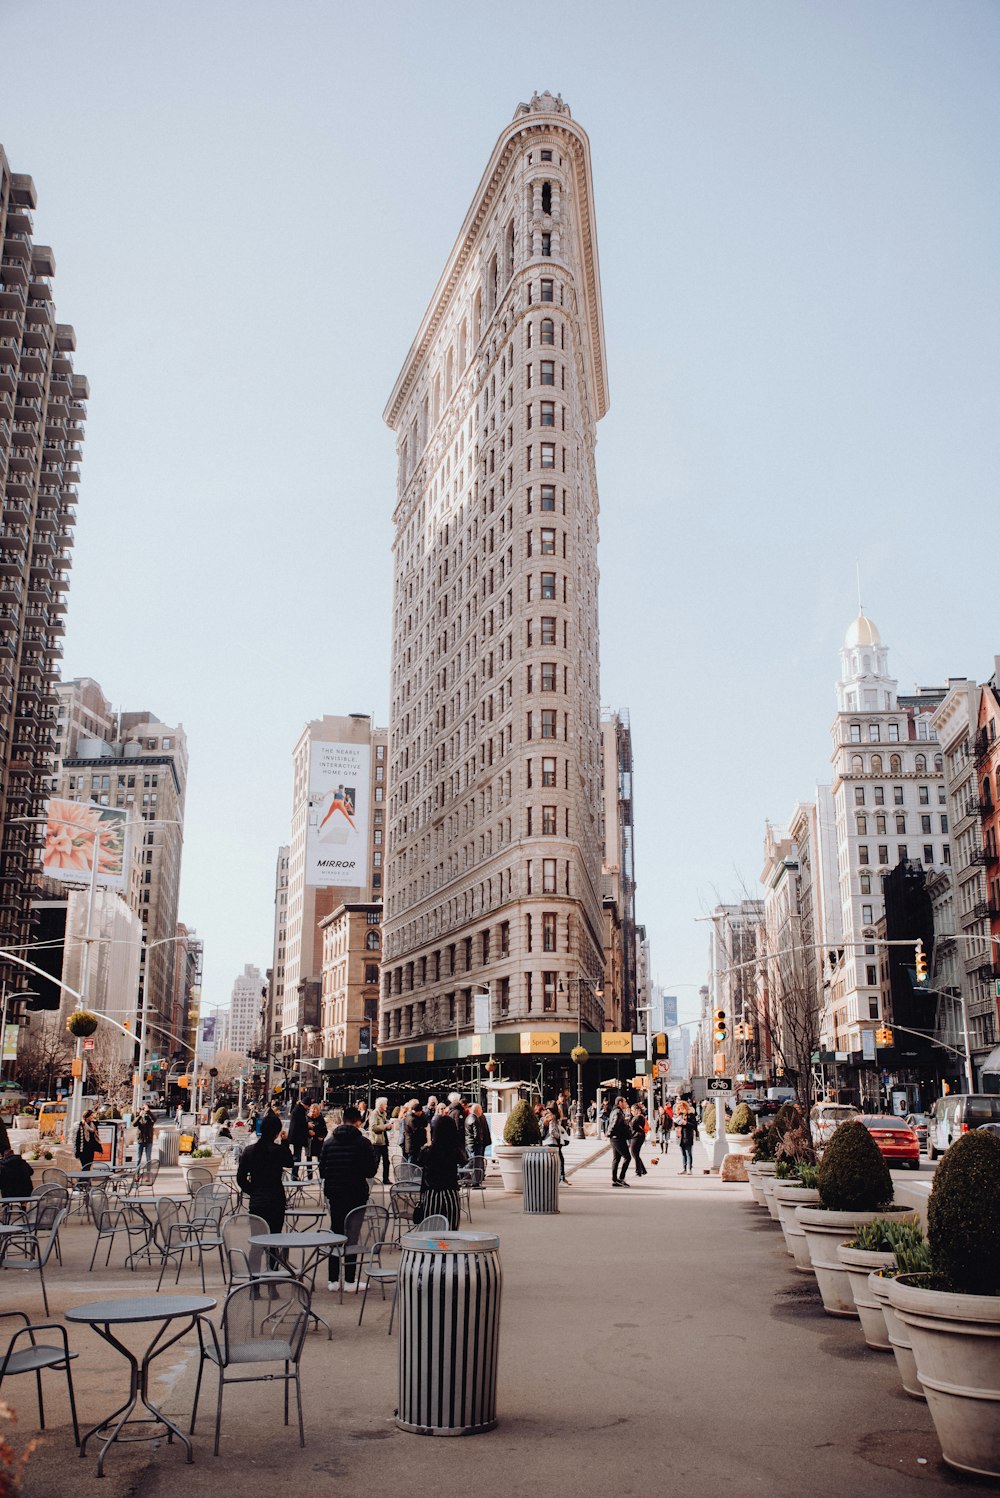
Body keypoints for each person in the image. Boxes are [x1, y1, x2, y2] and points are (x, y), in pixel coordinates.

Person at [319, 1105, 376, 1291]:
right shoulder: (364, 1143)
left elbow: (322, 1170)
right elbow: (370, 1170)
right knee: (352, 1236)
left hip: (334, 1192)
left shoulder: (328, 1143)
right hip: (356, 1193)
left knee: (336, 1233)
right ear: (358, 1122)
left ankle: (333, 1279)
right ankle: (350, 1280)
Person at [236, 1110, 294, 1236]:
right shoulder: (278, 1151)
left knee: (257, 1242)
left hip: (257, 1200)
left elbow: (241, 1178)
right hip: (276, 1198)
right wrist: (285, 1142)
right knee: (274, 1240)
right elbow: (290, 1162)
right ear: (277, 1133)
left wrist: (253, 1191)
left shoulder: (249, 1151)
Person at [415, 1112, 466, 1229]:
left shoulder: (427, 1151)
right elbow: (464, 1161)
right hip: (450, 1191)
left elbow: (419, 1162)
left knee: (430, 1229)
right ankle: (448, 1247)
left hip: (432, 1192)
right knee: (451, 1228)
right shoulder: (454, 1151)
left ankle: (432, 1247)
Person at [607, 1096, 631, 1187]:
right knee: (627, 1157)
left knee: (616, 1158)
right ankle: (621, 1178)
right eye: (624, 1102)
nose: (626, 1103)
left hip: (615, 1137)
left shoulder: (615, 1111)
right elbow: (614, 1124)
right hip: (618, 1138)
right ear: (620, 1102)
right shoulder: (618, 1112)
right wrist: (610, 1132)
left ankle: (615, 1180)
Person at [542, 1105, 570, 1184]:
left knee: (552, 1161)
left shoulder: (547, 1117)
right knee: (559, 1160)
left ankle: (556, 1178)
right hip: (552, 1142)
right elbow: (552, 1131)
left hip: (547, 1142)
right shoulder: (553, 1118)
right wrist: (559, 1138)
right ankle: (560, 1179)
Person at [368, 1097, 391, 1184]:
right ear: (381, 1105)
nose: (387, 1106)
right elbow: (373, 1127)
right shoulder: (374, 1114)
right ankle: (371, 1178)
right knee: (376, 1161)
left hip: (384, 1141)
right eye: (385, 1104)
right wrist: (385, 1127)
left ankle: (386, 1179)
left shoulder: (383, 1114)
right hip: (376, 1142)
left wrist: (388, 1127)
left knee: (386, 1162)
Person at [287, 1097, 309, 1180]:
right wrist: (307, 1125)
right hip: (297, 1137)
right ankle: (294, 1175)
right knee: (297, 1157)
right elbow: (300, 1124)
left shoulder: (298, 1109)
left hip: (296, 1137)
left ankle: (294, 1175)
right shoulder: (299, 1110)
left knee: (297, 1156)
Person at [306, 1102, 328, 1179]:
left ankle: (322, 1176)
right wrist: (308, 1131)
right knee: (309, 1159)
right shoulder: (307, 1118)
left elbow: (325, 1130)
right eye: (312, 1109)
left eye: (315, 1109)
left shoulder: (320, 1119)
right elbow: (302, 1129)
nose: (313, 1110)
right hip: (309, 1141)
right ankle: (309, 1176)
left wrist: (321, 1136)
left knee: (320, 1159)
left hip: (318, 1141)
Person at [675, 1100, 696, 1175]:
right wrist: (675, 1123)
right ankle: (684, 1168)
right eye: (680, 1108)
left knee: (688, 1153)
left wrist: (686, 1123)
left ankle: (689, 1168)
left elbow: (694, 1125)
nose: (681, 1110)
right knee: (683, 1154)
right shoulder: (679, 1116)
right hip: (680, 1137)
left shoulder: (690, 1116)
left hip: (687, 1137)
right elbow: (675, 1126)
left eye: (683, 1108)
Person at [134, 1103, 155, 1170]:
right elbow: (134, 1124)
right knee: (138, 1159)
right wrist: (140, 1116)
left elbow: (154, 1119)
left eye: (145, 1109)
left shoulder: (150, 1118)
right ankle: (137, 1174)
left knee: (148, 1158)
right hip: (140, 1140)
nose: (144, 1111)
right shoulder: (139, 1118)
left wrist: (148, 1111)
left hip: (148, 1140)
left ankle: (148, 1174)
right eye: (143, 1109)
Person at [629, 1104, 648, 1178]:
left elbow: (632, 1126)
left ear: (637, 1110)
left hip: (638, 1136)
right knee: (635, 1153)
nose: (631, 1112)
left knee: (634, 1153)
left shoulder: (639, 1117)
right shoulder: (636, 1117)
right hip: (637, 1136)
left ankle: (638, 1171)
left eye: (632, 1110)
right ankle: (642, 1170)